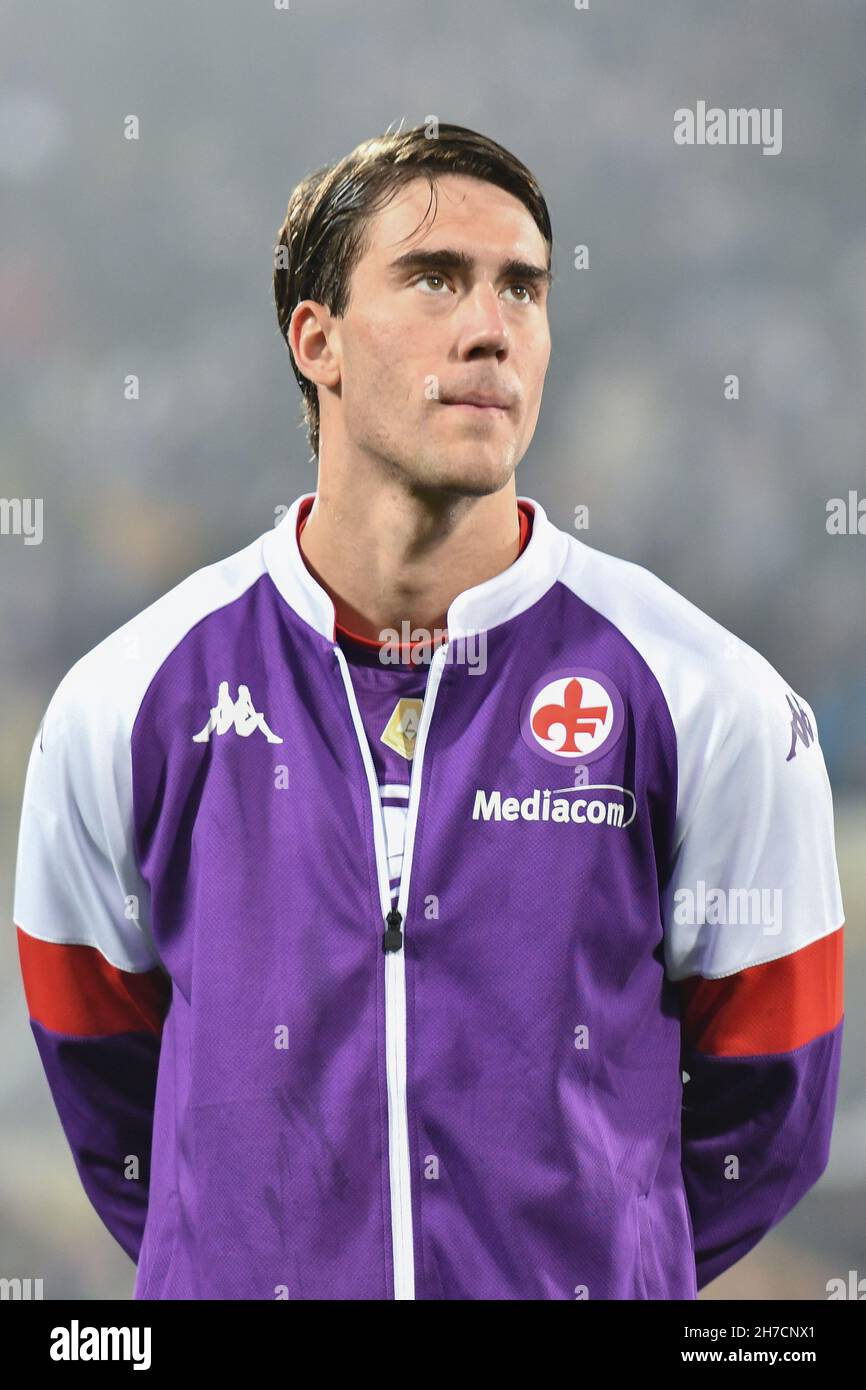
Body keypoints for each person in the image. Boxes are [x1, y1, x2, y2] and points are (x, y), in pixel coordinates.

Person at [13, 122, 845, 1300]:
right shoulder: (127, 700)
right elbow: (110, 1096)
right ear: (318, 340)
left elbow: (770, 1100)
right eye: (433, 277)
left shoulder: (712, 699)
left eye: (523, 287)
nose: (488, 328)